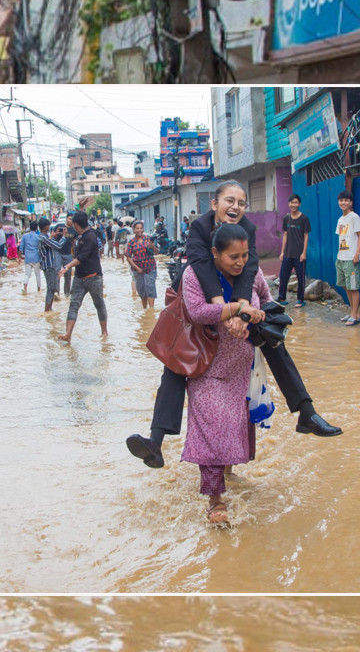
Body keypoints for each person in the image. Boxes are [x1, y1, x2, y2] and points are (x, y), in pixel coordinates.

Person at [125, 180, 341, 470]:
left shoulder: (246, 232)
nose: (235, 207)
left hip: (236, 298)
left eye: (241, 202)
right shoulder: (200, 227)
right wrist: (228, 312)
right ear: (214, 204)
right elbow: (201, 267)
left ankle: (306, 411)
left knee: (274, 341)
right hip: (199, 293)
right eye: (229, 200)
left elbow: (248, 269)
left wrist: (241, 313)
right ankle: (156, 441)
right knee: (177, 363)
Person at [182, 222, 272, 526]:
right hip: (205, 365)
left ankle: (227, 471)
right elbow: (196, 311)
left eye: (245, 256)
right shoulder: (195, 274)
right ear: (215, 254)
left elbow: (264, 299)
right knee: (212, 426)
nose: (240, 262)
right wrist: (236, 310)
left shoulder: (251, 273)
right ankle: (215, 500)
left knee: (234, 425)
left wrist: (255, 313)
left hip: (240, 367)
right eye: (233, 257)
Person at [59, 210, 107, 343]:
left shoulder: (90, 236)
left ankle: (104, 332)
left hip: (93, 277)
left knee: (99, 304)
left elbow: (82, 257)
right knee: (73, 305)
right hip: (79, 277)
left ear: (75, 224)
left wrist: (66, 267)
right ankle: (68, 334)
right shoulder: (79, 235)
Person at [335, 190, 360, 325]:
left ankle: (355, 315)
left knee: (353, 287)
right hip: (341, 257)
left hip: (351, 257)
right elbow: (341, 237)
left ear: (350, 202)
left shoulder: (354, 217)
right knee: (346, 286)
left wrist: (357, 254)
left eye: (346, 200)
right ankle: (353, 312)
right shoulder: (340, 220)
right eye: (341, 200)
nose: (343, 203)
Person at [277, 194, 310, 306]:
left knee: (300, 278)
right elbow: (285, 235)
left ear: (299, 204)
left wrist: (304, 252)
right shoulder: (287, 218)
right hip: (288, 253)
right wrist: (282, 252)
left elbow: (306, 236)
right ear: (288, 204)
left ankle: (300, 299)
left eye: (296, 202)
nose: (293, 205)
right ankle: (281, 298)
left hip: (299, 254)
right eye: (291, 202)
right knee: (283, 276)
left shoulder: (304, 219)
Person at [125, 219, 158, 311]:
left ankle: (151, 310)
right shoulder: (131, 242)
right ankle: (145, 309)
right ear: (134, 230)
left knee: (150, 288)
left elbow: (157, 252)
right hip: (138, 271)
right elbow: (128, 257)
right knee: (142, 291)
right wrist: (136, 268)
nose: (139, 230)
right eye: (137, 228)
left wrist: (153, 247)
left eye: (141, 228)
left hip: (150, 268)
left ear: (143, 229)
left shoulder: (148, 239)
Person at [36, 218, 64, 311]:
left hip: (47, 265)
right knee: (51, 288)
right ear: (45, 227)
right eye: (48, 225)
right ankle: (47, 309)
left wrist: (51, 237)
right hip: (49, 265)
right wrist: (64, 236)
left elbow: (48, 245)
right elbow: (58, 246)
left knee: (51, 288)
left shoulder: (43, 237)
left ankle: (49, 309)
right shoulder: (43, 238)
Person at [20, 219, 43, 295]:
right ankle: (39, 289)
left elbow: (21, 247)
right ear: (37, 228)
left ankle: (25, 288)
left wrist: (19, 257)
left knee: (27, 274)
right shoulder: (38, 236)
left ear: (29, 228)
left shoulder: (24, 236)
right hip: (36, 257)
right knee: (37, 274)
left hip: (27, 258)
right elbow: (40, 248)